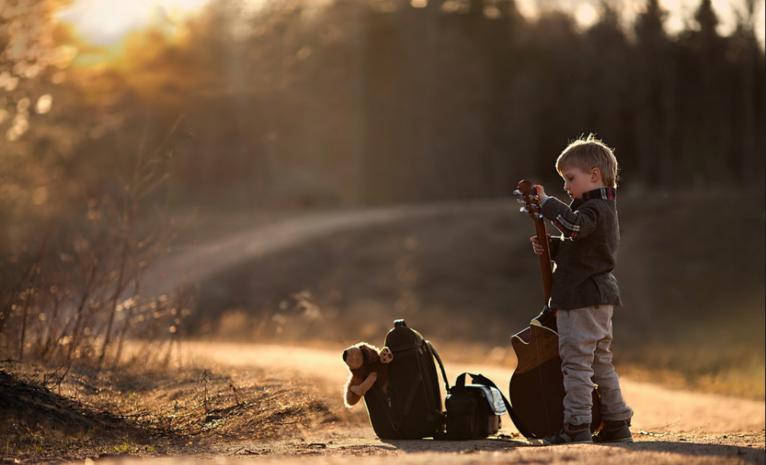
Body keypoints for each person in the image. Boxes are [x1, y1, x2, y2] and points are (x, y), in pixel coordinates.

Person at [529, 134, 634, 444]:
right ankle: (616, 421)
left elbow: (574, 226)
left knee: (576, 362)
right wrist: (551, 247)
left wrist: (547, 204)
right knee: (600, 362)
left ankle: (577, 426)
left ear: (593, 175)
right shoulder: (600, 210)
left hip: (581, 298)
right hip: (599, 297)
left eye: (569, 178)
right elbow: (582, 249)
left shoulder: (594, 210)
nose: (565, 186)